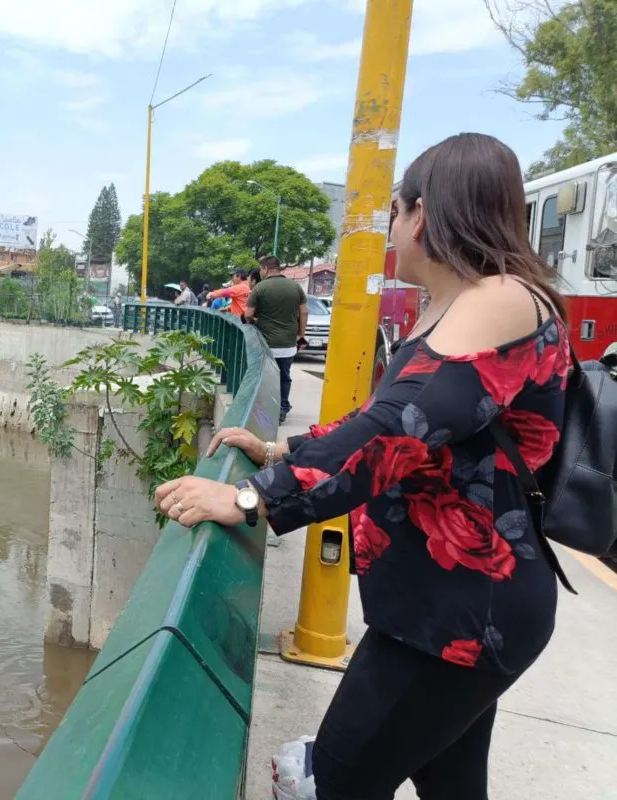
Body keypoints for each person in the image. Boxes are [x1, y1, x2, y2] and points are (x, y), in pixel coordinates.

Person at [154, 133, 571, 800]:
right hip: (444, 605)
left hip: (456, 615)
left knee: (334, 785)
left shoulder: (499, 299)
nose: (392, 236)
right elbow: (395, 416)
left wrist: (248, 499)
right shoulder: (464, 305)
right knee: (452, 788)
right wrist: (280, 449)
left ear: (422, 214)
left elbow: (395, 431)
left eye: (394, 217)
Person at [245, 255, 308, 424]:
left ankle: (264, 409)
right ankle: (282, 408)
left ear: (265, 268)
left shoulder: (259, 288)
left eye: (260, 269)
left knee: (264, 377)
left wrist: (256, 321)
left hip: (266, 343)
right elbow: (304, 312)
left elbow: (248, 314)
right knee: (285, 376)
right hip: (288, 343)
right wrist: (300, 333)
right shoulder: (295, 286)